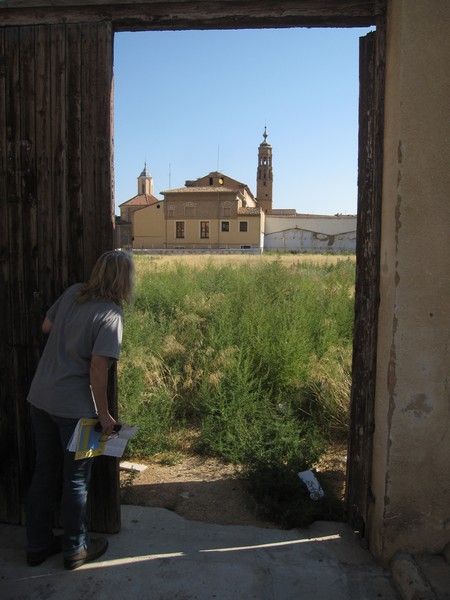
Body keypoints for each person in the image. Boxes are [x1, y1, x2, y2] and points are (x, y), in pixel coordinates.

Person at [26, 250, 135, 570]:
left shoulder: (73, 292)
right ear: (125, 281)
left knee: (44, 472)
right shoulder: (112, 315)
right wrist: (103, 414)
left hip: (40, 400)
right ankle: (75, 548)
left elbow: (47, 326)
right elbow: (98, 369)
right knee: (76, 480)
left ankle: (36, 545)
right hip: (76, 412)